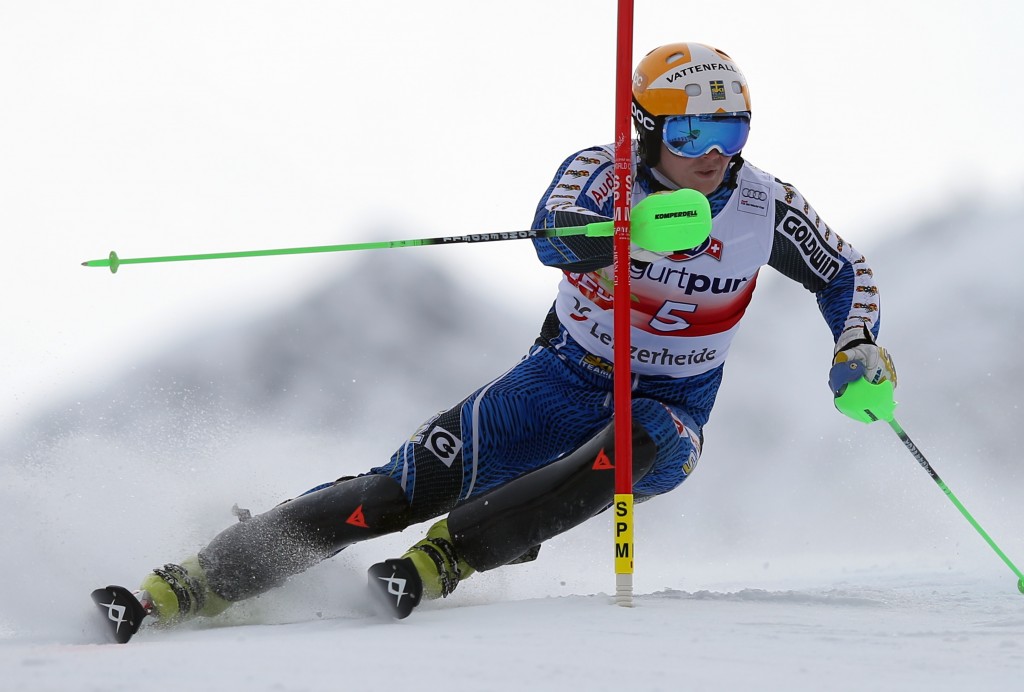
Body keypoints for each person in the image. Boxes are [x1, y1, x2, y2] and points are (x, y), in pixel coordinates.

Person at [97, 42, 897, 635]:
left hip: (674, 405)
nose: (716, 153)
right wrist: (624, 231)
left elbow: (843, 269)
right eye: (692, 132)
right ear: (648, 131)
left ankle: (451, 558)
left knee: (628, 453)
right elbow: (552, 234)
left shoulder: (765, 205)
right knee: (401, 490)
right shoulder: (602, 173)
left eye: (732, 126)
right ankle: (193, 581)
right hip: (561, 376)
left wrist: (856, 344)